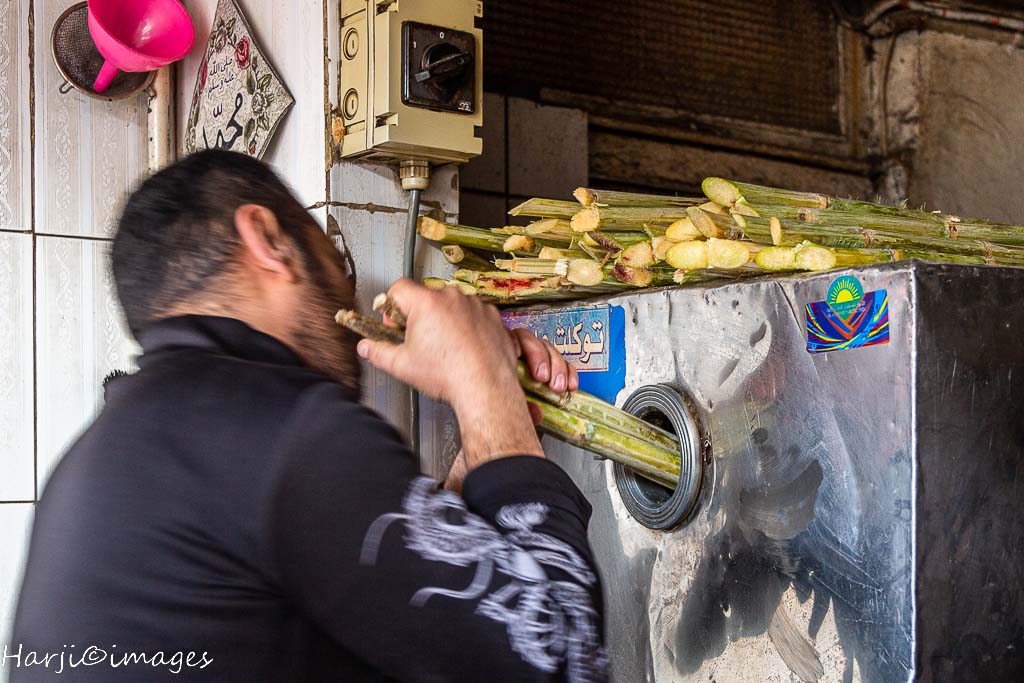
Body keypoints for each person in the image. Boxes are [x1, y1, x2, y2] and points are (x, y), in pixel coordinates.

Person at [11, 150, 607, 682]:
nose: (346, 293)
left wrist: (485, 432)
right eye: (336, 261)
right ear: (268, 239)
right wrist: (488, 386)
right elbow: (565, 657)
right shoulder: (284, 427)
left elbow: (425, 614)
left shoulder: (104, 456)